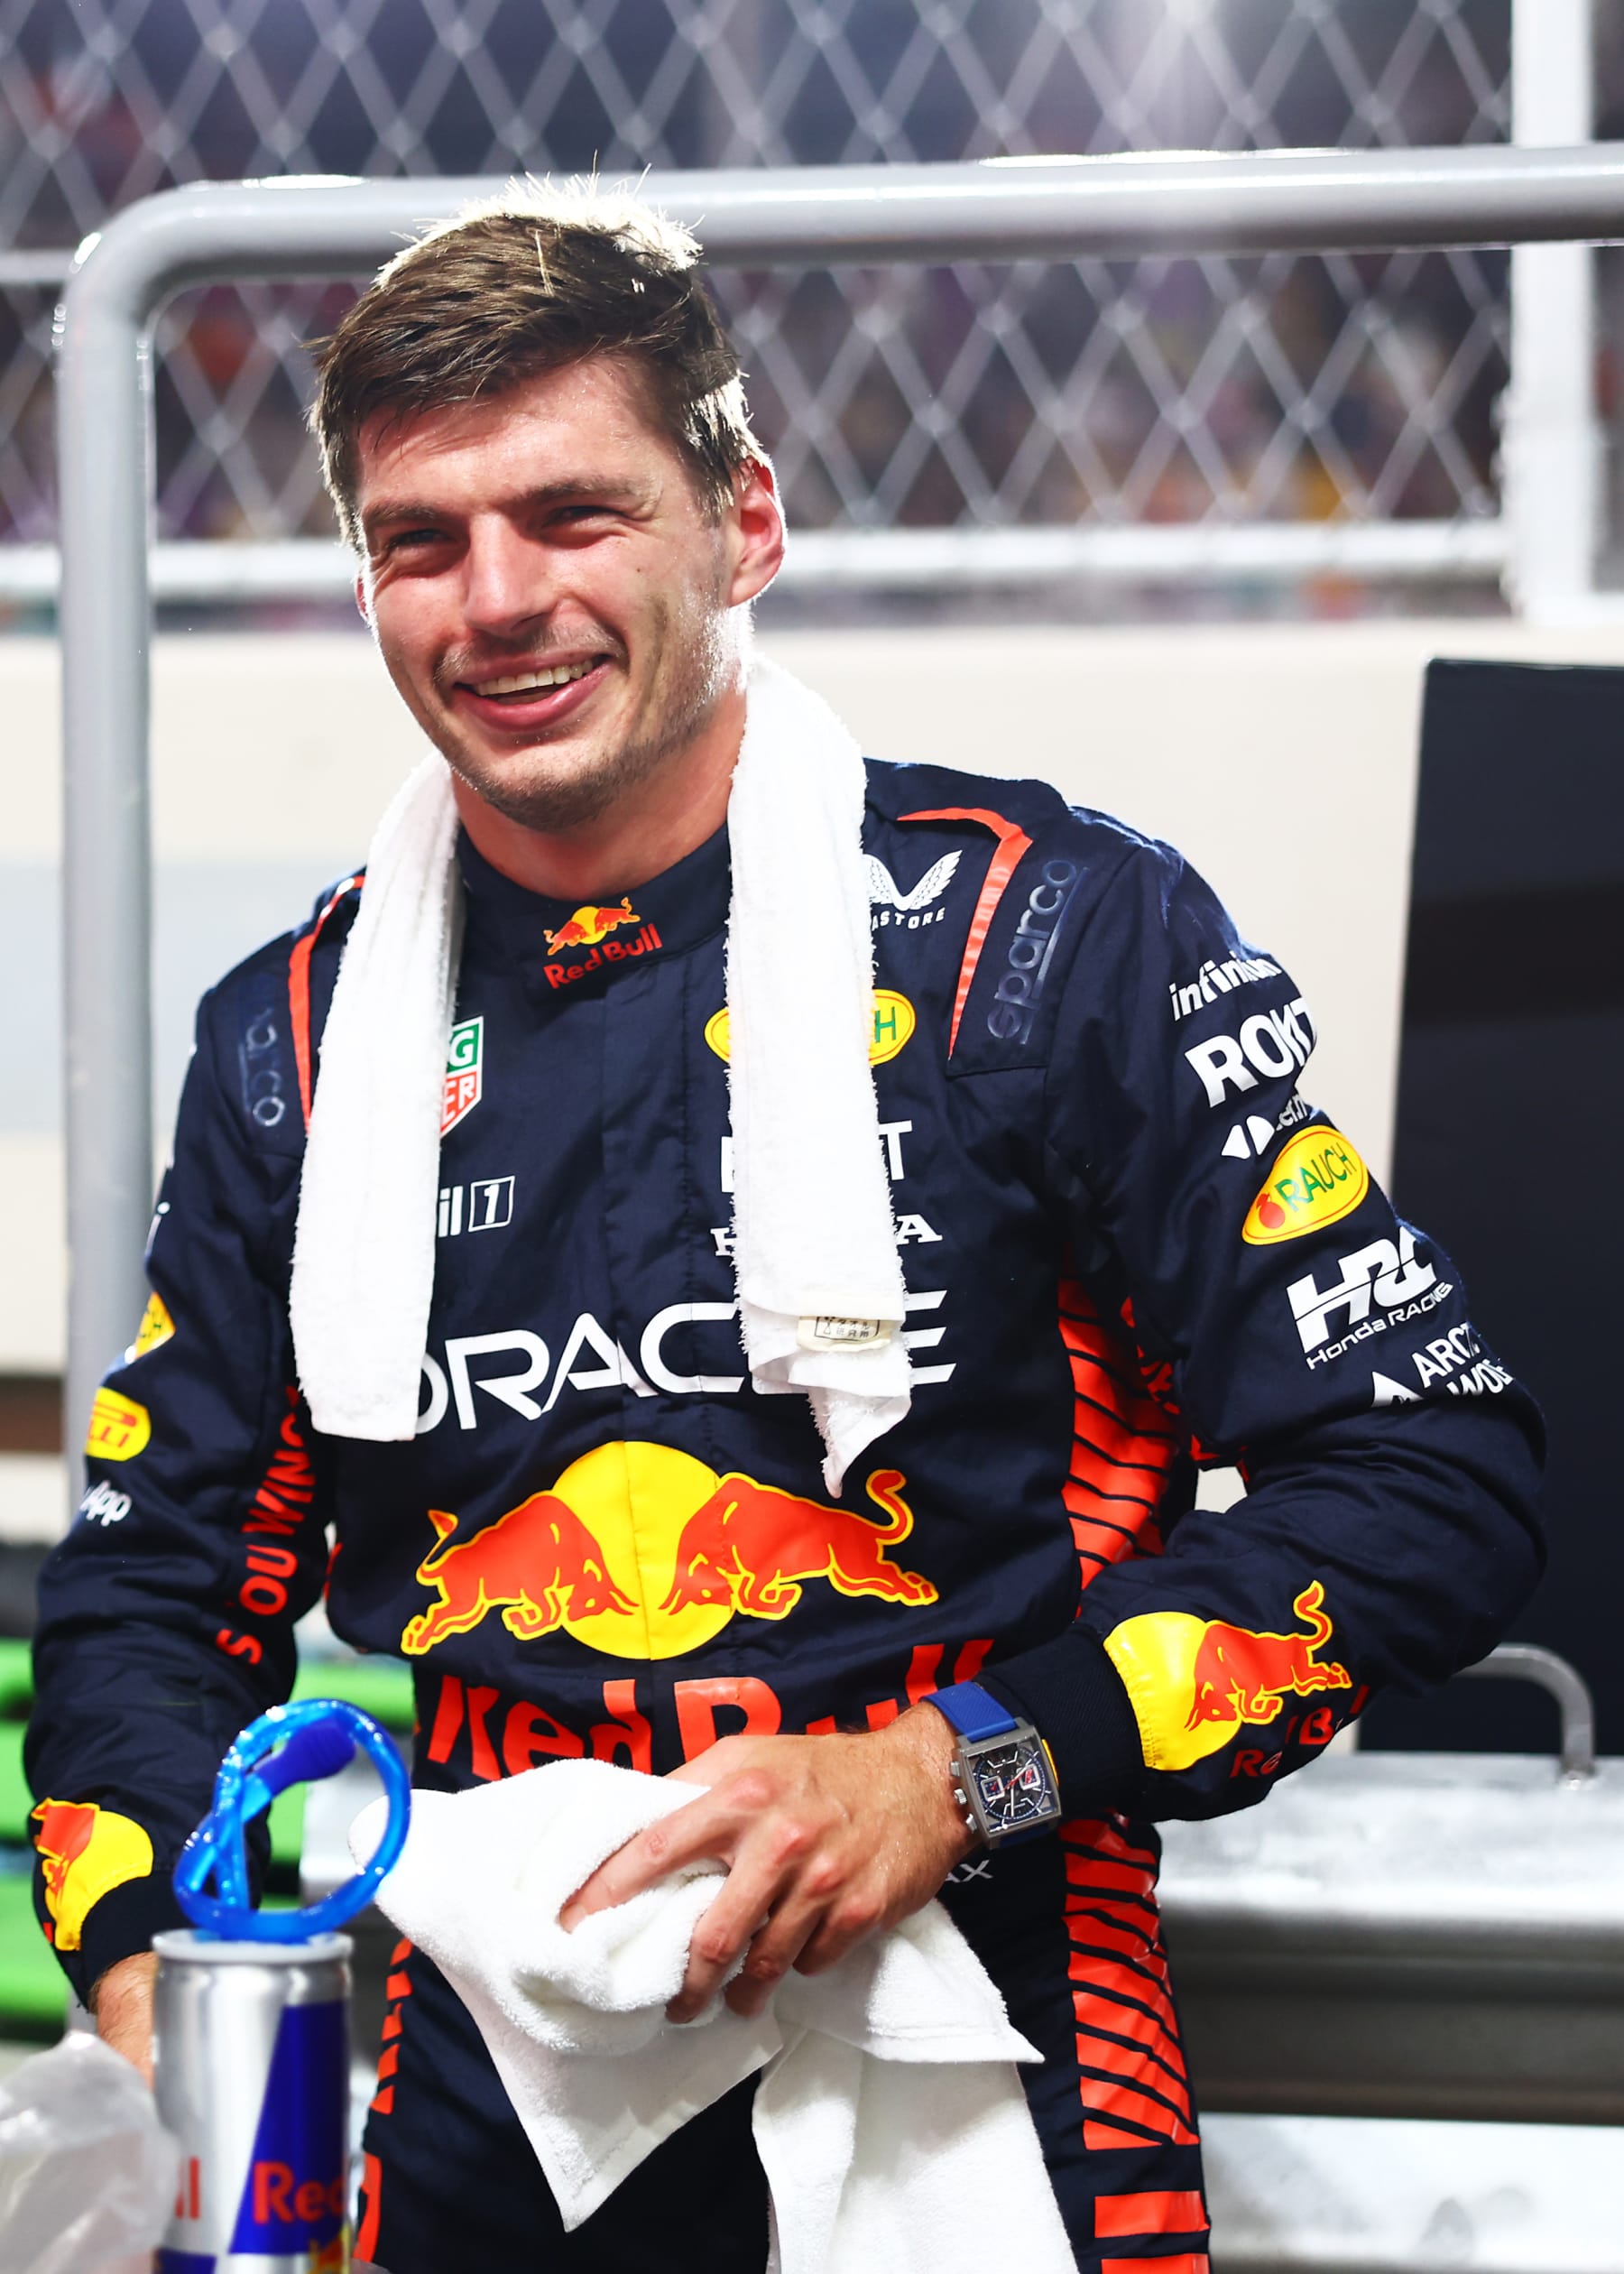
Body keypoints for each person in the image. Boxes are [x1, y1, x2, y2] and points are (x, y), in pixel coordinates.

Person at [27, 187, 1542, 2273]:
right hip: (477, 2109)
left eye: (573, 514)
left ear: (742, 520)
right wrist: (153, 1965)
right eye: (420, 540)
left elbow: (1428, 1473)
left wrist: (959, 1770)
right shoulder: (294, 1037)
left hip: (993, 2048)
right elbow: (150, 1592)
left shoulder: (1051, 936)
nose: (495, 600)